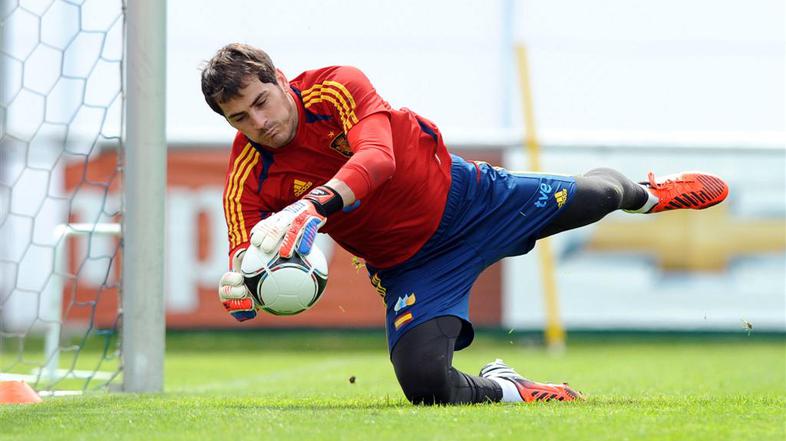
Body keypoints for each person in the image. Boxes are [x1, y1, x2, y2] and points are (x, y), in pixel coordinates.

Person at [201, 43, 729, 405]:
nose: (260, 124)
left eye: (261, 102)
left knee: (601, 194)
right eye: (240, 118)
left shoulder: (338, 86)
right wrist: (244, 291)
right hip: (412, 265)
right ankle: (508, 388)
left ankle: (647, 194)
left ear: (280, 79)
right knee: (425, 384)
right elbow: (240, 269)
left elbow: (379, 158)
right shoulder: (248, 175)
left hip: (473, 200)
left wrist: (311, 207)